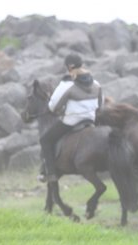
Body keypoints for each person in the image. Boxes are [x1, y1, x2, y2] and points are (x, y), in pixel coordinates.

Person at [38, 53, 103, 182]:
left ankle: (50, 173)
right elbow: (101, 106)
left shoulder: (66, 85)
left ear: (69, 67)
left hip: (72, 122)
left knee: (45, 140)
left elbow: (53, 106)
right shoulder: (96, 84)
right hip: (91, 120)